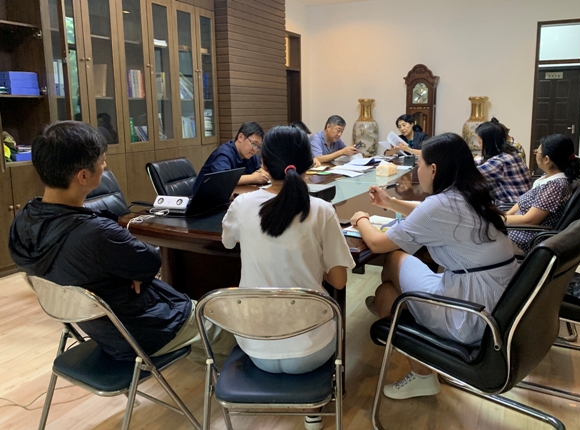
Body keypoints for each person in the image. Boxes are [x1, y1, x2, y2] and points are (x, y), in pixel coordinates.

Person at [8, 121, 235, 361]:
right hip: (147, 330)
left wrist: (123, 271)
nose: (105, 165)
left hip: (104, 332)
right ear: (83, 176)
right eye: (102, 161)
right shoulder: (97, 233)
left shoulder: (23, 221)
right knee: (237, 332)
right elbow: (151, 261)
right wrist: (130, 271)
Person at [350, 132, 517, 400]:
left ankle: (419, 369)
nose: (418, 169)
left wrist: (361, 220)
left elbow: (378, 244)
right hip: (497, 300)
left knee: (389, 276)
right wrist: (390, 203)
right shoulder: (470, 193)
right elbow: (429, 212)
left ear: (434, 169)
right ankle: (395, 307)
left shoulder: (442, 204)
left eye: (420, 164)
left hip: (470, 314)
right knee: (391, 279)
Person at [222, 125, 355, 430]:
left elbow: (229, 242)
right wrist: (309, 258)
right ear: (310, 164)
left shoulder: (241, 205)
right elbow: (339, 281)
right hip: (312, 351)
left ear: (263, 165)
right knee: (332, 321)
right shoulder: (322, 210)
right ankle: (312, 409)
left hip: (255, 345)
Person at [506, 134, 580, 253]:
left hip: (524, 239)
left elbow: (530, 220)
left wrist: (498, 220)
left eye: (537, 152)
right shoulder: (548, 177)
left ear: (546, 159)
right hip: (515, 229)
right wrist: (504, 216)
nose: (535, 154)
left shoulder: (555, 186)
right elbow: (521, 204)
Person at [193, 121, 269, 193]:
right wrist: (253, 178)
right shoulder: (224, 154)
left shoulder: (250, 155)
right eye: (254, 144)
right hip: (204, 198)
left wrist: (261, 173)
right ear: (240, 137)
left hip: (231, 195)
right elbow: (223, 180)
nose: (255, 149)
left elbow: (259, 169)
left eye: (258, 146)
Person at [474, 118, 531, 205]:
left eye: (480, 142)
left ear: (489, 143)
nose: (478, 146)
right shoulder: (511, 155)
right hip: (521, 206)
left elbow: (469, 175)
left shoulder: (499, 162)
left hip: (508, 208)